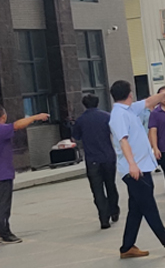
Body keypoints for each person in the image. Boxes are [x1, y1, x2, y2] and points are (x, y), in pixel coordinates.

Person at [109, 80, 165, 259]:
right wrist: (132, 164)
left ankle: (127, 247)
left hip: (142, 166)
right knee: (149, 206)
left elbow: (148, 102)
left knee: (136, 209)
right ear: (129, 93)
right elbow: (123, 141)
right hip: (133, 169)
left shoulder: (129, 109)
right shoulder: (118, 115)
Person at [0, 105, 50, 243]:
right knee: (4, 205)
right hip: (3, 173)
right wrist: (36, 117)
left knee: (0, 203)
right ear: (3, 116)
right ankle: (4, 233)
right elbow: (17, 125)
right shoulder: (0, 129)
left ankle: (2, 230)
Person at [72, 94, 120, 229]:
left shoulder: (81, 120)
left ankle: (104, 219)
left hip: (92, 159)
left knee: (97, 190)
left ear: (84, 105)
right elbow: (115, 132)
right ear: (98, 103)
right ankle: (114, 211)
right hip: (108, 157)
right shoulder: (106, 116)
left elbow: (76, 137)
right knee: (111, 185)